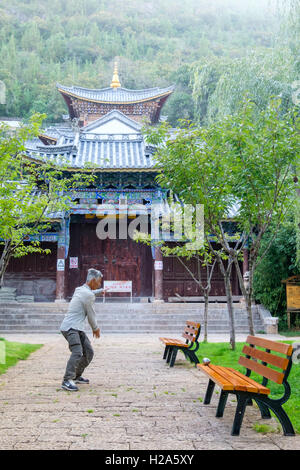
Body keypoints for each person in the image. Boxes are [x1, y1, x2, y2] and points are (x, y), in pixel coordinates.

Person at [60, 268, 106, 392]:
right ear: (92, 280)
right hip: (71, 328)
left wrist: (100, 291)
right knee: (77, 352)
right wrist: (95, 328)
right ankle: (66, 380)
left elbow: (89, 293)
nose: (100, 283)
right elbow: (91, 314)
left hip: (76, 327)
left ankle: (76, 376)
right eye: (99, 281)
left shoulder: (80, 289)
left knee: (89, 352)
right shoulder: (87, 294)